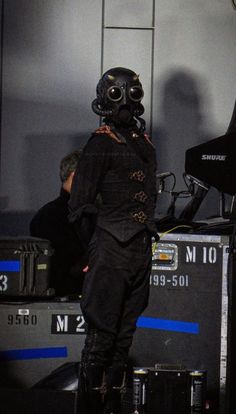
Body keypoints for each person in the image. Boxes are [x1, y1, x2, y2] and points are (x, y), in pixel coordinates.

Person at [68, 67, 158, 414]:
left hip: (138, 250)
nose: (125, 100)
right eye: (118, 93)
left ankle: (112, 406)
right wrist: (95, 249)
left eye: (130, 92)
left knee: (123, 339)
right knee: (101, 337)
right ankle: (92, 407)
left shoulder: (143, 144)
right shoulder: (100, 143)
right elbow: (79, 207)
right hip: (110, 247)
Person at [30, 150, 87, 297]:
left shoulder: (44, 215)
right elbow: (66, 268)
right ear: (75, 176)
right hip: (69, 299)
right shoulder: (51, 217)